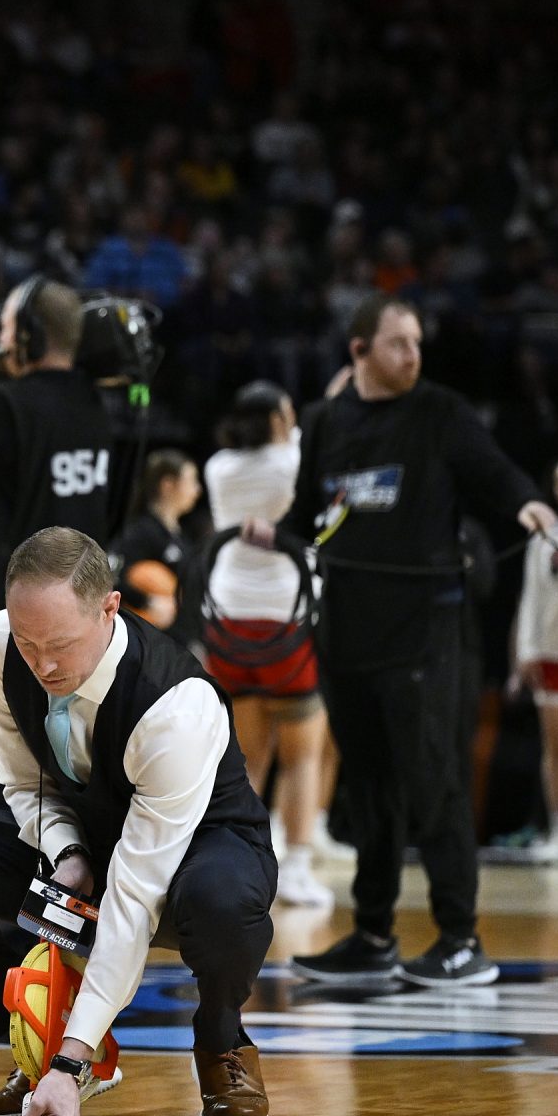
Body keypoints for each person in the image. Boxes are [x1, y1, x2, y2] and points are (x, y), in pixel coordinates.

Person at [0, 528, 276, 1116]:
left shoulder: (176, 706)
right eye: (28, 643)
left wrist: (70, 1062)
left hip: (197, 848)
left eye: (60, 644)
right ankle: (37, 1042)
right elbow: (24, 786)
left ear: (111, 608)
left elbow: (133, 898)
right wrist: (67, 852)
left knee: (224, 903)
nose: (44, 664)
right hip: (84, 833)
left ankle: (220, 1044)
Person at [248, 295, 552, 987]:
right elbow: (308, 514)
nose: (412, 355)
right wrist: (278, 535)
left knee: (434, 782)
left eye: (416, 342)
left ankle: (459, 938)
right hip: (348, 630)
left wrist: (526, 502)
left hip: (424, 634)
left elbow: (494, 471)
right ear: (359, 351)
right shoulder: (326, 423)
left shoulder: (439, 412)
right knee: (372, 789)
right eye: (398, 344)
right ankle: (374, 934)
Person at [0, 277, 116, 805]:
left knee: (5, 747)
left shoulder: (5, 403)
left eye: (8, 325)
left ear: (30, 337)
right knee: (76, 745)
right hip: (84, 606)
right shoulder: (95, 403)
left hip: (10, 607)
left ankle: (8, 865)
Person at [201, 381, 333, 907]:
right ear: (280, 419)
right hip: (285, 619)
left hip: (228, 618)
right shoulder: (292, 462)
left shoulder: (218, 467)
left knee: (248, 756)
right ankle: (296, 871)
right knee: (304, 756)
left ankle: (241, 867)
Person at [511, 457, 558, 864]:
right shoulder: (543, 537)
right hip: (552, 653)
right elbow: (529, 597)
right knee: (557, 747)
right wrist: (526, 651)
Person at [113, 449, 203, 634]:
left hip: (183, 638)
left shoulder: (182, 535)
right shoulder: (142, 532)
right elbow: (109, 572)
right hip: (152, 642)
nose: (197, 490)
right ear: (168, 484)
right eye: (192, 481)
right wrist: (146, 601)